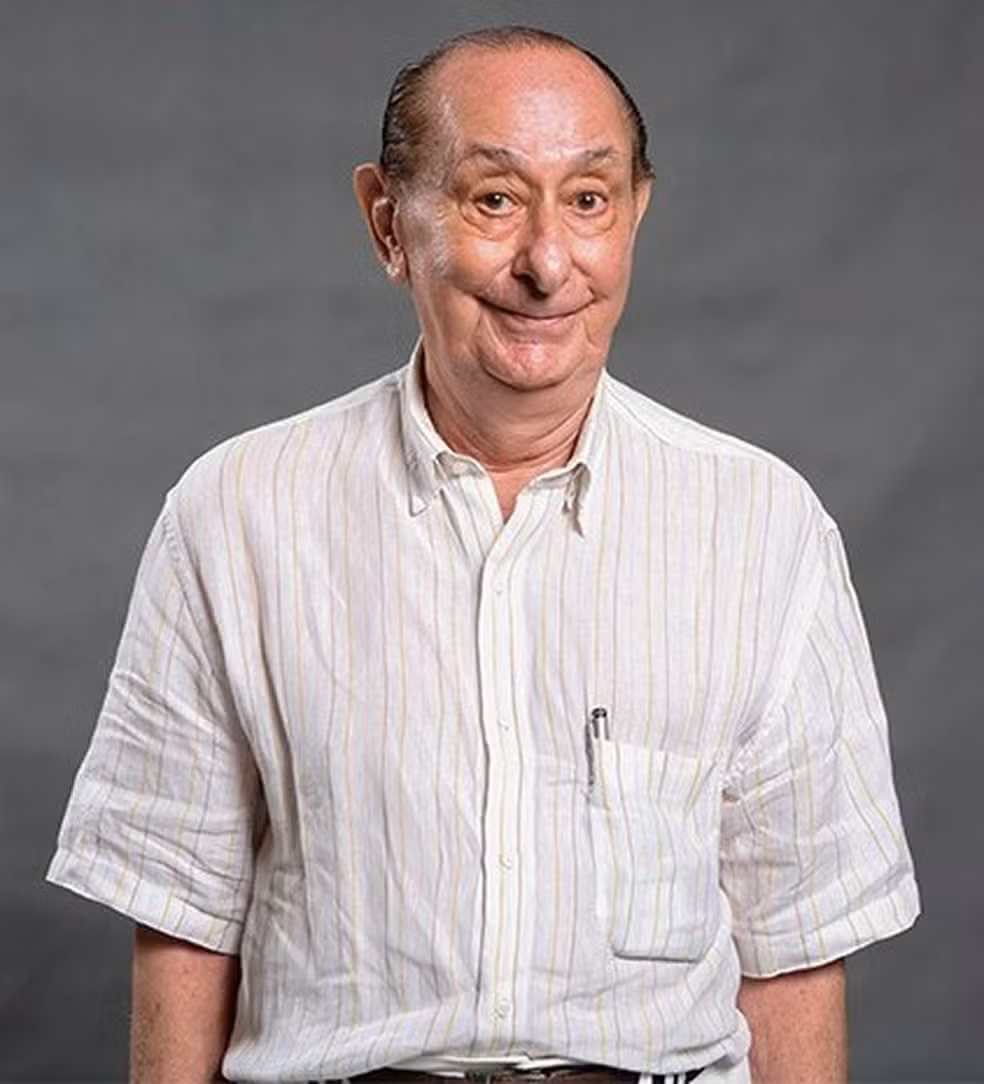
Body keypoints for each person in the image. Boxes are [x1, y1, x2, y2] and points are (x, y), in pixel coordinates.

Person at [48, 25, 919, 1084]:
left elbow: (793, 948)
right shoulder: (235, 515)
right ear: (388, 223)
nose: (548, 263)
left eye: (589, 200)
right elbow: (182, 919)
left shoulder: (763, 529)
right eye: (495, 199)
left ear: (635, 214)